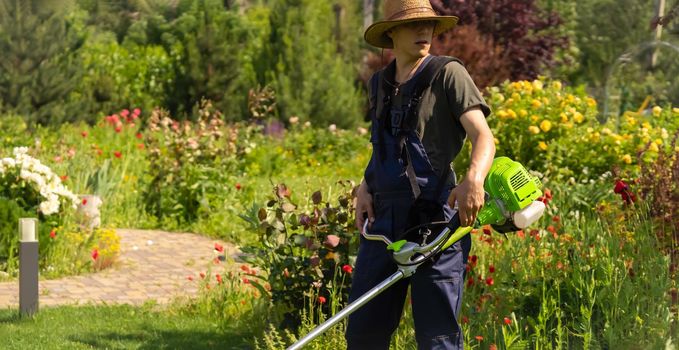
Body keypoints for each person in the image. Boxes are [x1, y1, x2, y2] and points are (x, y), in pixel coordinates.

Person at [346, 0, 496, 349]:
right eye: (413, 25)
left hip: (435, 219)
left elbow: (483, 136)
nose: (423, 31)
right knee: (363, 331)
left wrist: (474, 179)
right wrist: (366, 185)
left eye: (427, 24)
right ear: (391, 34)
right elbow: (385, 145)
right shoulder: (378, 84)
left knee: (436, 336)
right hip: (383, 222)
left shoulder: (448, 74)